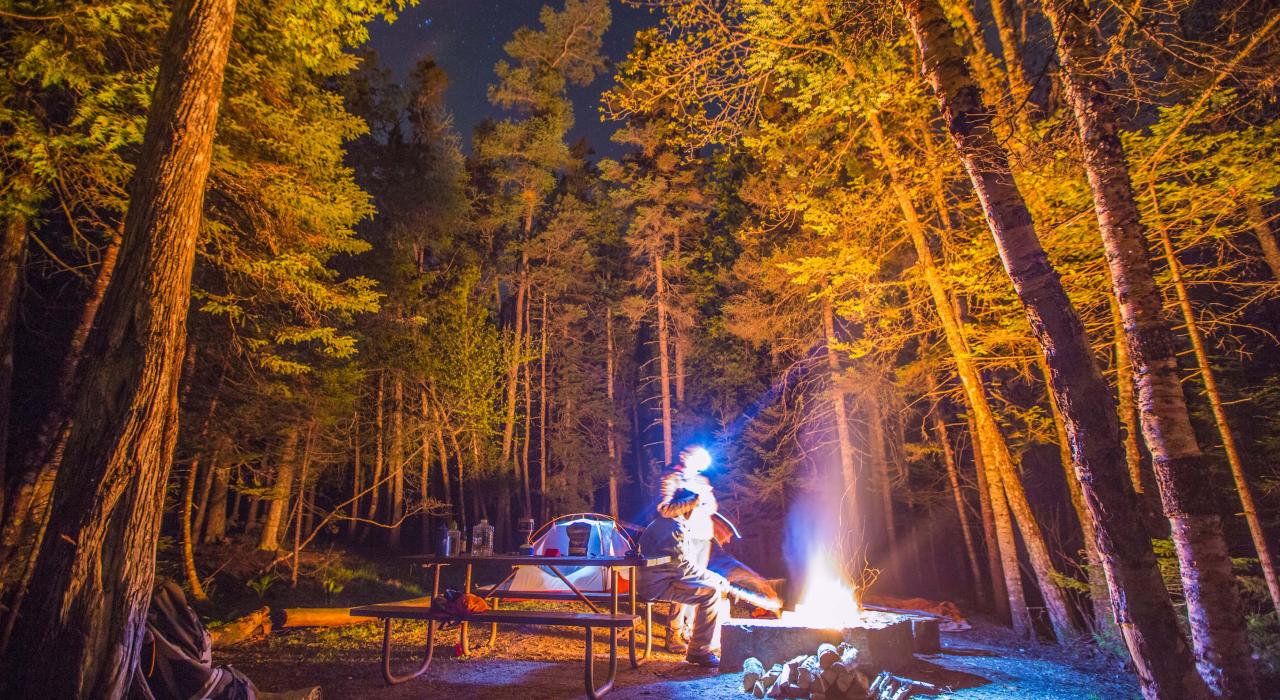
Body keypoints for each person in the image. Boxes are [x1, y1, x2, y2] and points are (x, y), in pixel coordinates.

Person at [638, 488, 729, 667]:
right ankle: (699, 651)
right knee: (710, 594)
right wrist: (715, 579)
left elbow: (681, 567)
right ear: (686, 508)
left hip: (657, 579)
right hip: (658, 584)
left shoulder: (664, 523)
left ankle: (700, 644)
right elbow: (683, 569)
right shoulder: (675, 529)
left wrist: (711, 577)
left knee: (710, 587)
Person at [656, 445, 718, 649]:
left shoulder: (702, 481)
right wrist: (692, 501)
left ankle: (690, 630)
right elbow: (664, 510)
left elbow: (712, 506)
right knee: (684, 584)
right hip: (683, 539)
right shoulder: (672, 478)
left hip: (703, 538)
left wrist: (702, 503)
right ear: (685, 458)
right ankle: (674, 632)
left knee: (700, 585)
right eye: (696, 459)